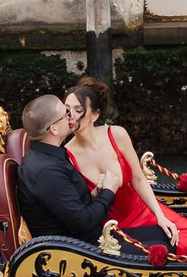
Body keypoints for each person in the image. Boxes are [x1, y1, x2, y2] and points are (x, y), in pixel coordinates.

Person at [64, 78, 187, 259]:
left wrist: (159, 216)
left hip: (143, 210)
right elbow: (79, 206)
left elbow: (138, 179)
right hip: (110, 226)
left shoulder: (116, 134)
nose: (69, 115)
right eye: (66, 110)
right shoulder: (66, 155)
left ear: (95, 115)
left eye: (78, 110)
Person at [15, 93, 126, 244]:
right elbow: (83, 222)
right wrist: (109, 191)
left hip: (87, 240)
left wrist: (95, 194)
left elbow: (69, 206)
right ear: (53, 129)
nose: (71, 116)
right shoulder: (47, 171)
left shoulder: (45, 158)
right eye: (66, 113)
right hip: (82, 252)